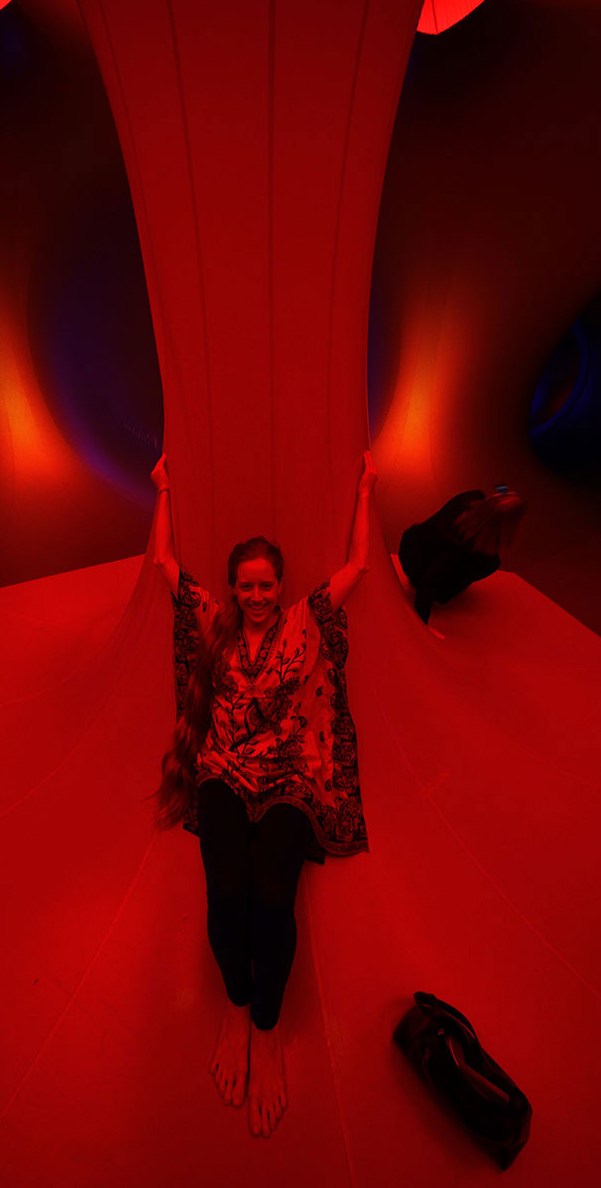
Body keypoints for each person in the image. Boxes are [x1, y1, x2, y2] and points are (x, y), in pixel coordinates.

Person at [151, 451, 376, 1139]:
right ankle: (237, 1004)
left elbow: (360, 566)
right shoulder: (213, 622)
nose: (255, 595)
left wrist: (366, 486)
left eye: (265, 584)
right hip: (222, 772)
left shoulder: (306, 620)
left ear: (280, 585)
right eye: (245, 586)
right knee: (227, 891)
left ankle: (269, 1029)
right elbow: (164, 564)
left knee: (275, 893)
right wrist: (161, 490)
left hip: (286, 777)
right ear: (232, 587)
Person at [398, 486, 526, 624]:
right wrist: (421, 624)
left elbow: (500, 490)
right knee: (491, 564)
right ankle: (440, 595)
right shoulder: (471, 553)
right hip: (421, 573)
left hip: (410, 547)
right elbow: (429, 580)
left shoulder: (469, 498)